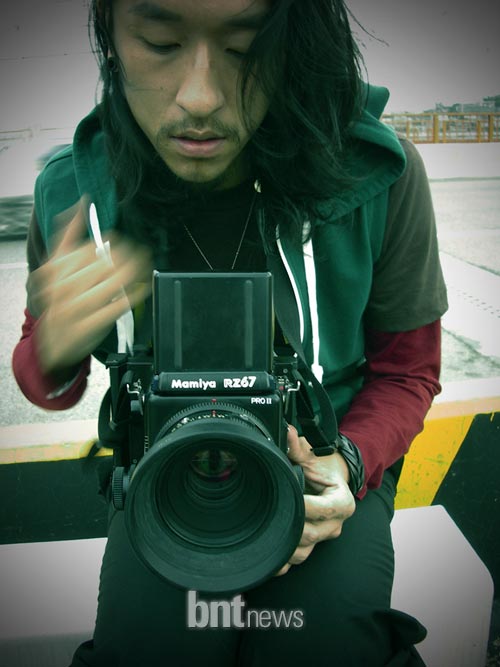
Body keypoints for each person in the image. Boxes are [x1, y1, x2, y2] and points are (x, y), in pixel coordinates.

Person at [12, 0, 448, 665]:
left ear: (297, 50)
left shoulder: (375, 174)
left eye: (245, 50)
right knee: (155, 648)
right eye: (160, 42)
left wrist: (349, 463)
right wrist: (54, 345)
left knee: (316, 643)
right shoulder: (76, 193)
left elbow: (408, 371)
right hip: (164, 468)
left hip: (320, 461)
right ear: (113, 40)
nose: (200, 97)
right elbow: (44, 375)